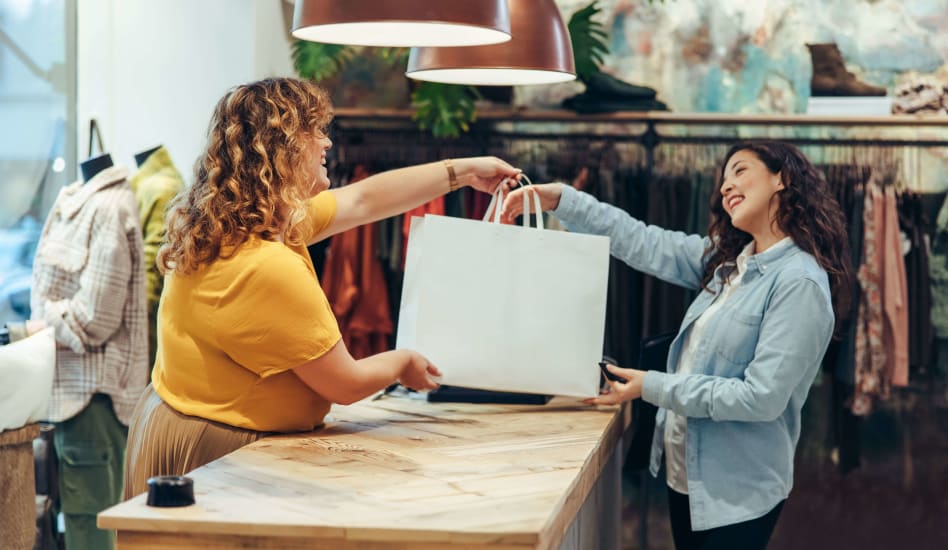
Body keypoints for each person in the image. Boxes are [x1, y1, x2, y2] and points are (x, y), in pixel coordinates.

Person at [123, 77, 520, 499]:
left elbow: (364, 199)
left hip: (174, 423)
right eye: (313, 131)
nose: (326, 144)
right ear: (280, 149)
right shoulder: (267, 265)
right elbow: (345, 384)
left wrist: (465, 171)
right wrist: (403, 362)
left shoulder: (234, 227)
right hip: (217, 455)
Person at [501, 141, 851, 550]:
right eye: (723, 179)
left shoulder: (798, 282)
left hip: (736, 491)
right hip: (686, 476)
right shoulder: (730, 263)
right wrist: (562, 199)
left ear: (783, 178)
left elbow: (762, 398)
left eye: (739, 171)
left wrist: (651, 386)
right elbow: (641, 240)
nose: (726, 185)